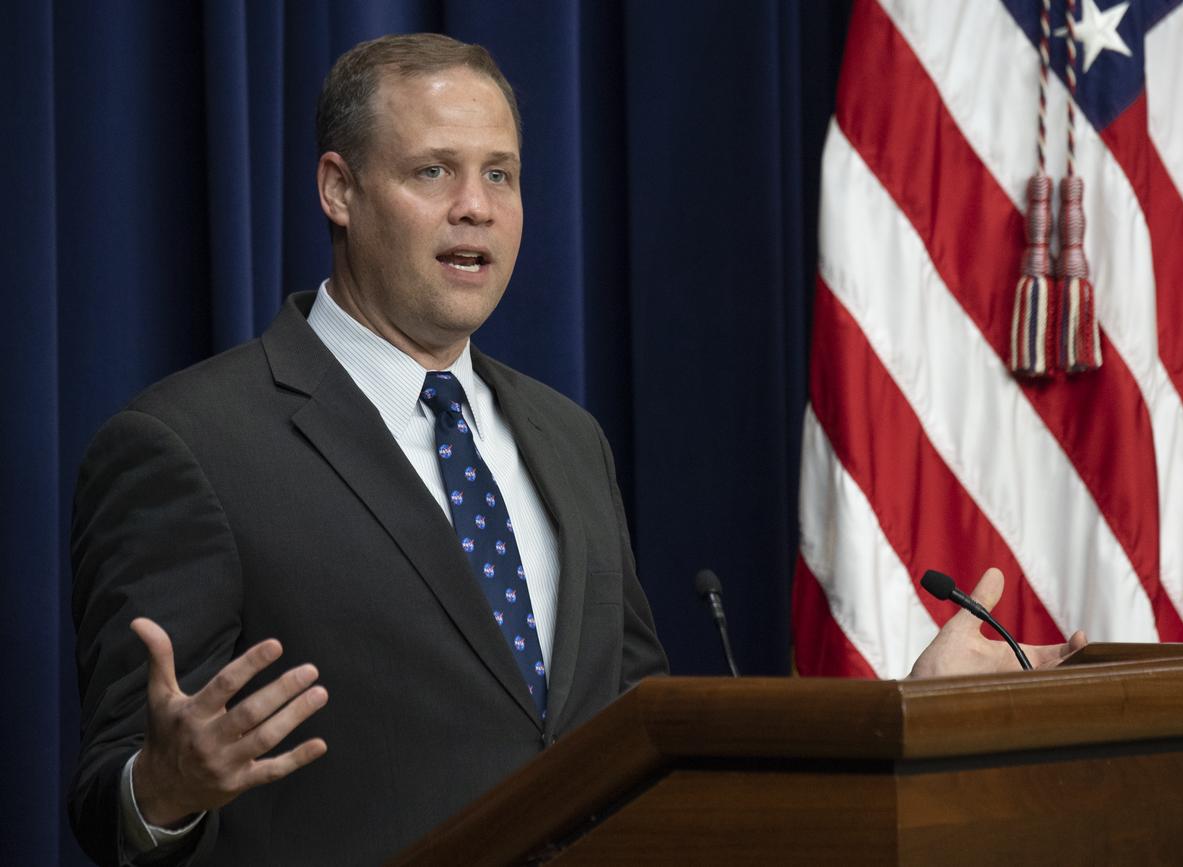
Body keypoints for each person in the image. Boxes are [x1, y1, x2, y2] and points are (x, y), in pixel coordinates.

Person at [69, 33, 1084, 867]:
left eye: (500, 175)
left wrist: (907, 709)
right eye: (434, 171)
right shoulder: (188, 444)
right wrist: (163, 789)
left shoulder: (564, 438)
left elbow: (642, 737)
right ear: (338, 189)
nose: (477, 205)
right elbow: (113, 794)